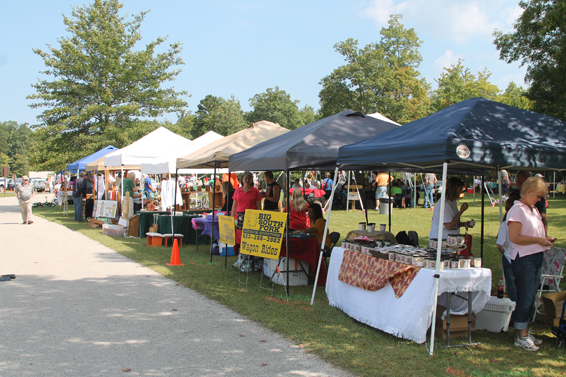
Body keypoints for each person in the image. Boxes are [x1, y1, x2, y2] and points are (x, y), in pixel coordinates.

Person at [507, 176, 554, 351]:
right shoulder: (517, 210)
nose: (539, 199)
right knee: (525, 296)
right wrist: (539, 240)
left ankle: (524, 330)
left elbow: (533, 233)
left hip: (535, 256)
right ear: (528, 192)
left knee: (531, 295)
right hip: (524, 258)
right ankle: (521, 335)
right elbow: (514, 237)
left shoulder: (532, 209)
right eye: (538, 195)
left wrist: (543, 240)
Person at [496, 192, 520, 323]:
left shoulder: (505, 224)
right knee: (521, 286)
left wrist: (503, 251)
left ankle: (515, 315)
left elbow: (500, 244)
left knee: (512, 287)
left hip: (509, 257)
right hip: (522, 257)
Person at [231, 172, 262, 247]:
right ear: (242, 179)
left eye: (249, 178)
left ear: (252, 180)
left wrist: (259, 219)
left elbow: (259, 207)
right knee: (239, 237)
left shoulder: (255, 191)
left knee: (250, 237)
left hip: (251, 218)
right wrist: (231, 218)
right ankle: (241, 255)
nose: (247, 180)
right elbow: (234, 206)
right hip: (239, 217)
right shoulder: (237, 191)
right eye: (246, 178)